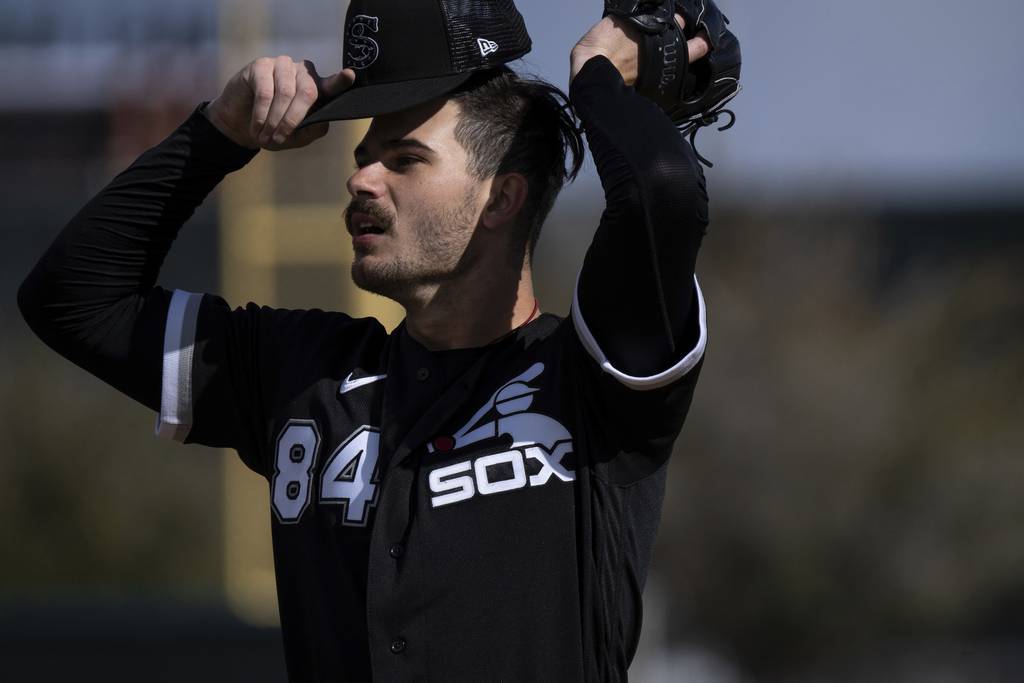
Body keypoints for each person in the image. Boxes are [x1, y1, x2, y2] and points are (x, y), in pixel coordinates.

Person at [18, 0, 713, 679]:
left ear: (502, 197)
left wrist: (596, 74)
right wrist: (219, 135)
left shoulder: (592, 378)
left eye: (403, 159)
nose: (360, 177)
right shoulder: (302, 373)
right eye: (363, 154)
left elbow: (660, 188)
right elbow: (73, 299)